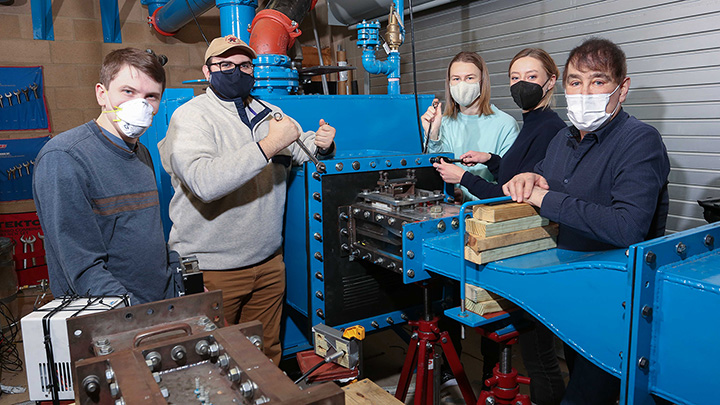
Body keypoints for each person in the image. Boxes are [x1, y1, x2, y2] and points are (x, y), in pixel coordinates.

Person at [503, 38, 670, 404]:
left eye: (598, 81)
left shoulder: (640, 141)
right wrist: (530, 179)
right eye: (576, 82)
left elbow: (627, 226)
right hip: (574, 295)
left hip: (618, 305)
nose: (585, 91)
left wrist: (546, 198)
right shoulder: (563, 139)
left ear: (622, 88)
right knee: (576, 370)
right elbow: (546, 179)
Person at [158, 35, 336, 365]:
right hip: (213, 269)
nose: (236, 71)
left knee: (264, 357)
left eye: (244, 65)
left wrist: (321, 144)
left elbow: (299, 150)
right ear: (207, 71)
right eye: (225, 65)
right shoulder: (191, 117)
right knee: (212, 363)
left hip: (268, 264)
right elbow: (204, 182)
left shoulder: (271, 112)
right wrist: (268, 145)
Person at [437, 48, 567, 404]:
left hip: (517, 242)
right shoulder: (533, 123)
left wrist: (464, 176)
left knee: (538, 355)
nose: (521, 85)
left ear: (551, 81)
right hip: (504, 241)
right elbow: (513, 176)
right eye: (515, 77)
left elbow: (510, 200)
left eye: (531, 77)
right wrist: (492, 160)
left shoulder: (550, 129)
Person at [33, 48, 176, 305]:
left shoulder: (141, 152)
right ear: (102, 94)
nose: (140, 104)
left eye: (151, 96)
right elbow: (82, 266)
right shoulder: (64, 157)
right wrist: (134, 313)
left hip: (156, 306)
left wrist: (177, 288)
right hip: (109, 316)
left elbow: (147, 238)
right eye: (128, 91)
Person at [422, 51, 519, 202]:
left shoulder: (505, 125)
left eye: (469, 78)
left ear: (482, 81)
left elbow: (508, 184)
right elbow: (436, 171)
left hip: (486, 215)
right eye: (456, 79)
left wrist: (466, 194)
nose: (462, 85)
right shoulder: (444, 122)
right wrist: (432, 135)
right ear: (449, 83)